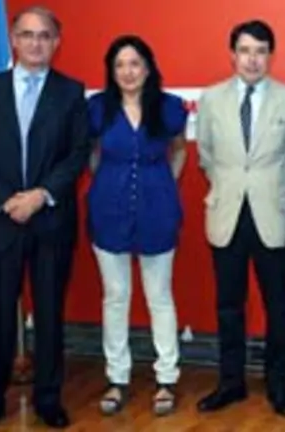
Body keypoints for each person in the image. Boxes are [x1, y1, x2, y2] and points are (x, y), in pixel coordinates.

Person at [0, 5, 91, 431]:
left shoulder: (71, 92)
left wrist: (39, 195)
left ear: (57, 42)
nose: (36, 43)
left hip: (50, 219)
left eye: (45, 36)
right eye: (28, 35)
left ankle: (48, 398)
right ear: (13, 40)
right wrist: (6, 200)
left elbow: (76, 155)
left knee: (50, 313)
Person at [195, 19, 285, 417]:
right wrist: (231, 184)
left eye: (260, 51)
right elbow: (206, 155)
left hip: (273, 214)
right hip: (226, 213)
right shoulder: (211, 99)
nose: (252, 59)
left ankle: (279, 385)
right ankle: (230, 383)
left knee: (278, 306)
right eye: (245, 50)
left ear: (270, 55)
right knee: (228, 305)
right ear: (232, 54)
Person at [86, 35, 187, 417]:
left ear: (148, 67)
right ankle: (117, 377)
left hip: (157, 208)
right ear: (112, 72)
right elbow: (94, 155)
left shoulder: (169, 107)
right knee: (115, 296)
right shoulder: (96, 109)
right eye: (120, 65)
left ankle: (166, 378)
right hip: (108, 209)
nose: (128, 72)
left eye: (135, 63)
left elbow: (178, 150)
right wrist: (106, 189)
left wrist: (163, 187)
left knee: (159, 296)